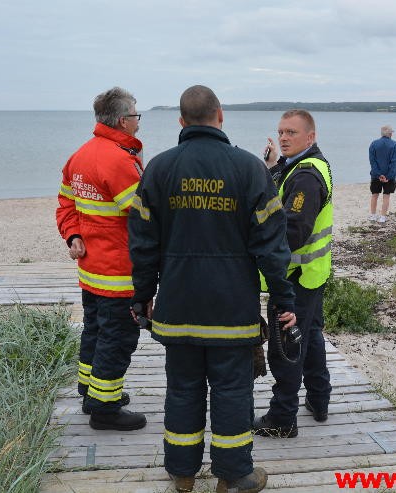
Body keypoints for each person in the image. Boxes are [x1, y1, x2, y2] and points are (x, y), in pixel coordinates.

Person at [128, 85, 296, 493]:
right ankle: (234, 474)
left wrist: (142, 294)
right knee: (232, 393)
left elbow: (142, 242)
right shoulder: (249, 169)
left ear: (181, 121)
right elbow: (272, 246)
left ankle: (182, 474)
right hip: (231, 310)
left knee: (182, 390)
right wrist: (284, 299)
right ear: (220, 116)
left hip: (179, 306)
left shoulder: (159, 169)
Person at [56, 87, 147, 431]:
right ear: (123, 120)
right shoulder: (118, 160)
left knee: (94, 331)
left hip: (90, 270)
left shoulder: (80, 155)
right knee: (118, 339)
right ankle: (105, 410)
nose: (138, 122)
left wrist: (73, 235)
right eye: (136, 115)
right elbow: (144, 215)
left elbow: (66, 205)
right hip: (118, 272)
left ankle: (90, 392)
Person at [254, 109, 333, 438]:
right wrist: (273, 168)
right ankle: (318, 399)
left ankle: (282, 418)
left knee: (286, 348)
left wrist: (257, 244)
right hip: (312, 274)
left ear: (310, 137)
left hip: (295, 279)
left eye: (292, 133)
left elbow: (293, 231)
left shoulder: (305, 175)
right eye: (281, 132)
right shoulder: (305, 166)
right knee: (310, 338)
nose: (284, 138)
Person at [368, 124, 396, 223]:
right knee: (386, 195)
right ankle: (382, 217)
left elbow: (372, 161)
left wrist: (378, 174)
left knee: (374, 195)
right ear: (390, 134)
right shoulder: (395, 145)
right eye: (391, 133)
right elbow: (393, 162)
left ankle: (373, 215)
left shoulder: (373, 144)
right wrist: (388, 176)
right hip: (389, 176)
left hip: (376, 175)